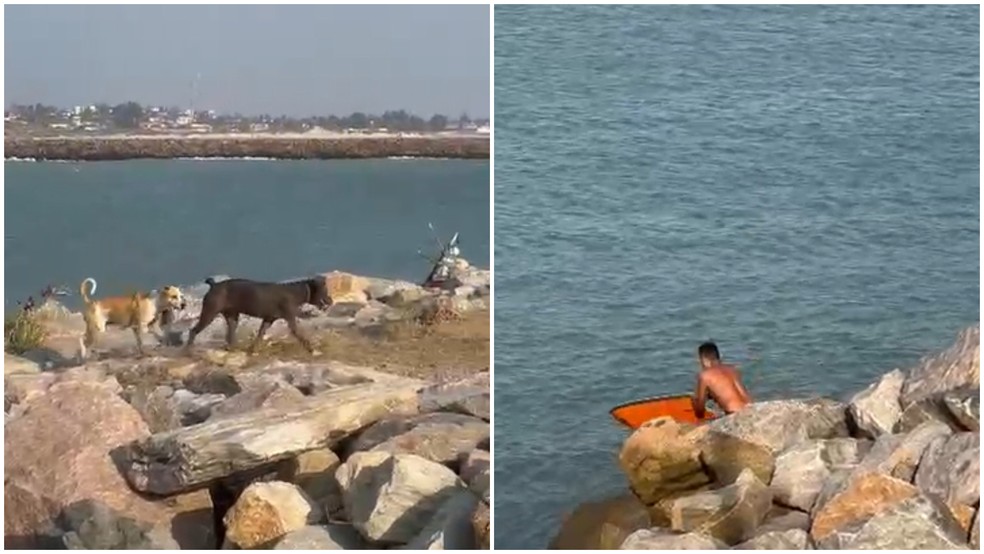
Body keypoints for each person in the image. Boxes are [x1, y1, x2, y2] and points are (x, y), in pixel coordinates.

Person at [693, 341, 751, 418]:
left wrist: (695, 404)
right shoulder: (732, 370)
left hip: (733, 414)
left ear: (705, 360)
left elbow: (700, 410)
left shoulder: (705, 375)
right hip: (751, 410)